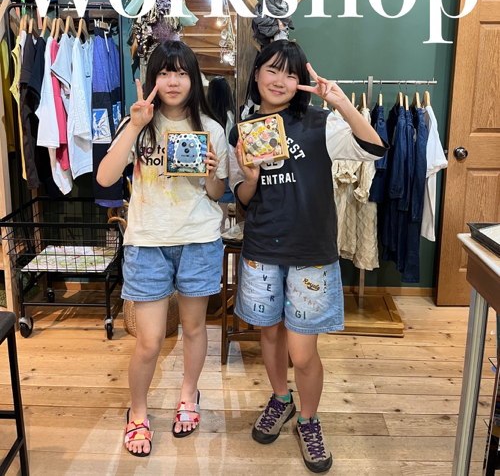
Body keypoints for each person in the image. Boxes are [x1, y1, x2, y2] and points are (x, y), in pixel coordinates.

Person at [228, 40, 387, 473]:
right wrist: (250, 178)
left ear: (300, 82)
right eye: (272, 70)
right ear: (256, 74)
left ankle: (309, 419)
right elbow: (244, 199)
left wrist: (341, 103)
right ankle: (281, 399)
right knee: (270, 335)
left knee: (302, 351)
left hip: (311, 252)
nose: (280, 80)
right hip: (262, 248)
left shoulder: (321, 123)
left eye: (291, 73)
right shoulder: (243, 130)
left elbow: (374, 149)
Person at [97, 40, 228, 457]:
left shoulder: (212, 129)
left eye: (182, 73)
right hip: (148, 241)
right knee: (149, 341)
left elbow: (217, 193)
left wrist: (212, 173)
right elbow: (104, 178)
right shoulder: (139, 122)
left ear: (194, 79)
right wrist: (135, 126)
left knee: (194, 328)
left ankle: (189, 394)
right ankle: (138, 411)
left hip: (198, 239)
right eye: (165, 72)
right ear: (152, 78)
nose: (173, 81)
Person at [207, 76, 236, 228]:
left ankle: (216, 227)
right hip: (226, 164)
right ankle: (222, 228)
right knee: (225, 198)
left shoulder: (206, 118)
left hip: (209, 162)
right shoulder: (230, 116)